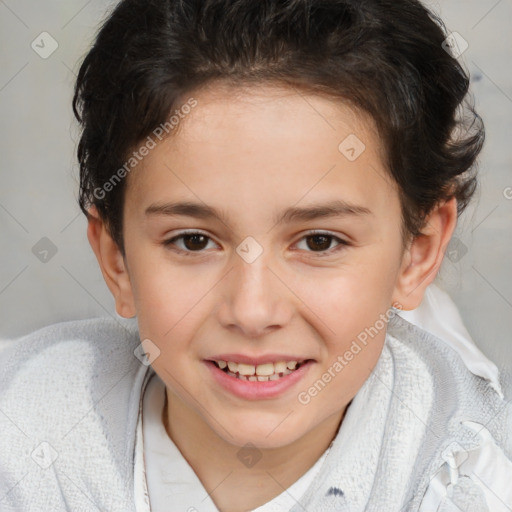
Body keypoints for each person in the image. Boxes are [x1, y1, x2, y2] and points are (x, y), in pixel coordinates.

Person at [1, 0, 511, 510]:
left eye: (319, 241)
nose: (252, 311)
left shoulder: (468, 480)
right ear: (117, 261)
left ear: (417, 254)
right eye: (193, 241)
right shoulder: (25, 440)